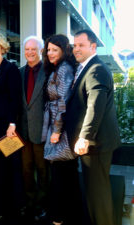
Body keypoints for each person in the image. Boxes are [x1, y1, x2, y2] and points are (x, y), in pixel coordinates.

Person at [65, 29, 120, 225]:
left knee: (98, 195)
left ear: (93, 47)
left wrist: (84, 137)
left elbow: (95, 106)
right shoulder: (86, 68)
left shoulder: (96, 69)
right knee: (93, 192)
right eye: (74, 45)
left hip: (95, 144)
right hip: (92, 145)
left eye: (81, 45)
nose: (76, 49)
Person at [41, 34, 82, 225]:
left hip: (61, 129)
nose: (50, 53)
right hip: (58, 125)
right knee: (66, 173)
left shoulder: (64, 69)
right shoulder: (59, 68)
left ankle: (59, 218)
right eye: (48, 49)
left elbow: (64, 102)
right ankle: (67, 215)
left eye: (54, 50)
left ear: (64, 50)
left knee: (61, 174)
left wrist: (56, 130)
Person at [0, 34, 24, 221]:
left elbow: (15, 98)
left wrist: (12, 124)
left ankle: (13, 209)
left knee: (11, 166)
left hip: (8, 127)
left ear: (2, 48)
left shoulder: (11, 69)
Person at [18, 36, 49, 219]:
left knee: (43, 170)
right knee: (26, 169)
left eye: (33, 49)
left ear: (41, 50)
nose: (30, 52)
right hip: (23, 131)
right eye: (27, 49)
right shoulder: (19, 72)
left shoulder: (49, 71)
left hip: (42, 131)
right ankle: (29, 203)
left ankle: (43, 205)